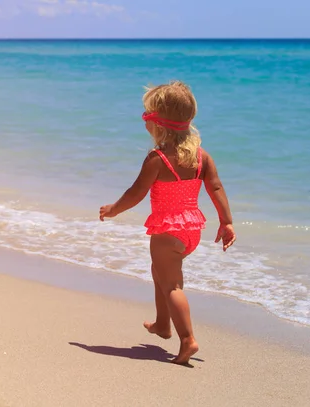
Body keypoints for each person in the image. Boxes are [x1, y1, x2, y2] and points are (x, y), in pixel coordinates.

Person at [99, 81, 236, 365]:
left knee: (172, 285)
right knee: (161, 273)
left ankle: (188, 340)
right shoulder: (202, 157)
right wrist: (226, 222)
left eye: (147, 116)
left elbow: (136, 193)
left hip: (166, 230)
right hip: (191, 230)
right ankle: (163, 324)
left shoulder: (158, 159)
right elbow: (216, 188)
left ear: (157, 125)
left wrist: (114, 209)